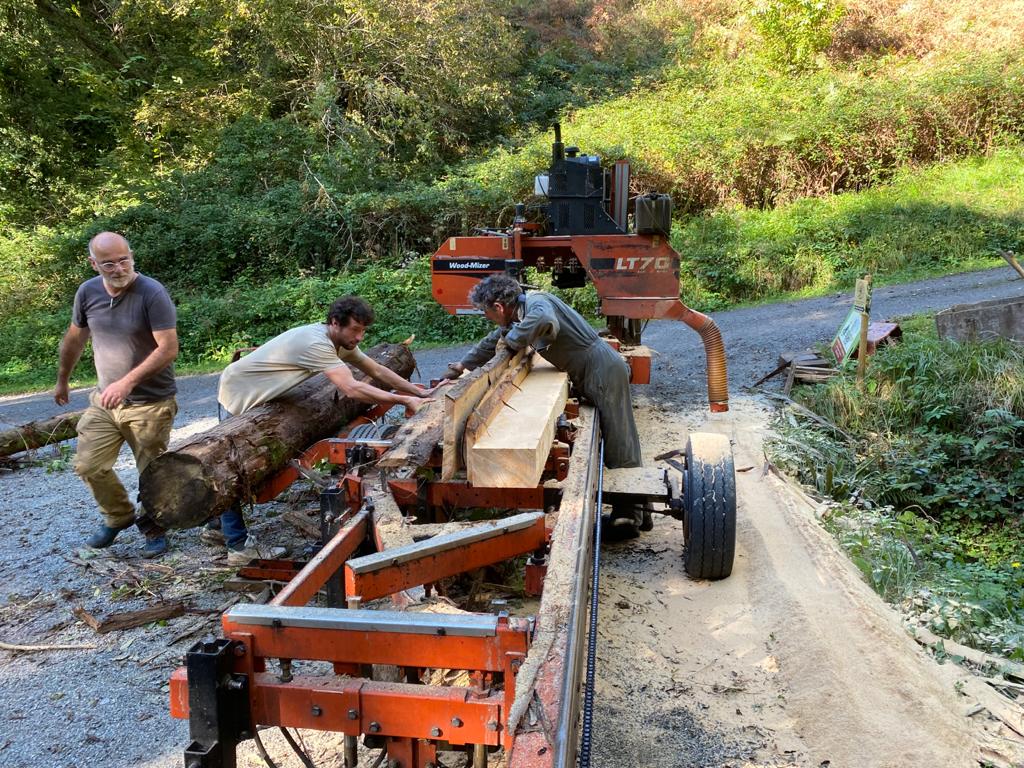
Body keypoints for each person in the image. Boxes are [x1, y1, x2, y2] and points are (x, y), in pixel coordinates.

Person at [205, 295, 440, 564]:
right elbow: (351, 387)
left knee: (241, 464)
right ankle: (238, 546)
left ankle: (215, 526)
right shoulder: (317, 343)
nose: (360, 337)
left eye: (363, 330)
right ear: (334, 323)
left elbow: (376, 369)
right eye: (355, 329)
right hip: (239, 390)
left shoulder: (339, 340)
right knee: (237, 466)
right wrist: (403, 399)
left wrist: (420, 392)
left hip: (252, 388)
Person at [447, 274, 648, 537]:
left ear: (498, 306)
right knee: (619, 434)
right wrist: (463, 365)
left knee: (618, 438)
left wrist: (510, 343)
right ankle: (640, 510)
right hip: (590, 369)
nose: (487, 318)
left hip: (601, 368)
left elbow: (544, 321)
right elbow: (492, 340)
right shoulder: (520, 313)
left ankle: (628, 517)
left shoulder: (536, 302)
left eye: (486, 312)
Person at [55, 232, 178, 557]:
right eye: (108, 263)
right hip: (105, 402)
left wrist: (127, 382)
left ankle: (154, 526)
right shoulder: (88, 292)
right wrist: (62, 380)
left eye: (124, 260)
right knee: (88, 465)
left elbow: (168, 348)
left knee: (152, 472)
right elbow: (75, 339)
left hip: (150, 403)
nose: (118, 268)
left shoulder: (151, 293)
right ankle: (119, 515)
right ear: (94, 264)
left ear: (131, 256)